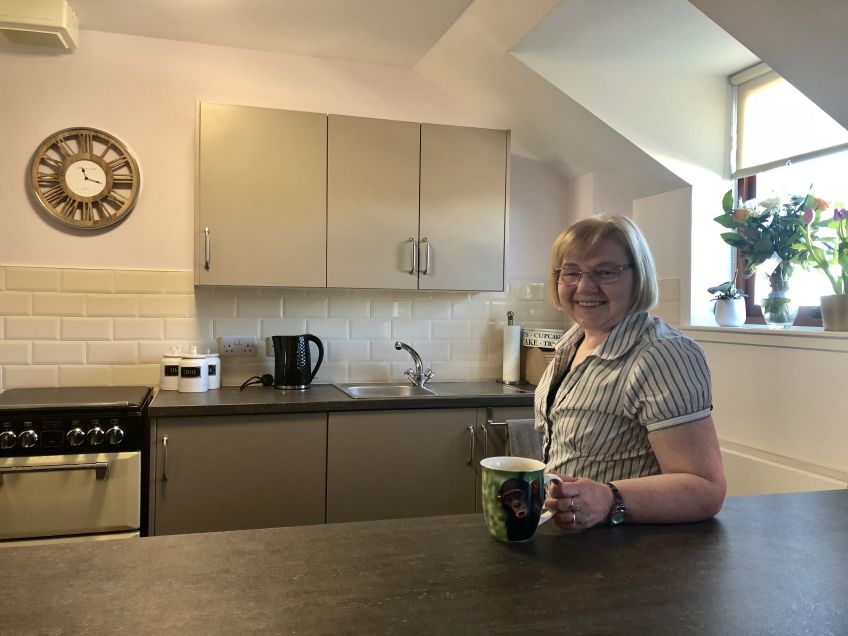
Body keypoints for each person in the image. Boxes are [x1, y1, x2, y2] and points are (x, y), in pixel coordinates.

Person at [537, 215, 726, 529]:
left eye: (606, 272)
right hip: (575, 546)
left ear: (639, 277)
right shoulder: (573, 342)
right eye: (571, 272)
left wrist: (610, 497)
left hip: (628, 555)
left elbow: (706, 488)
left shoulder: (664, 355)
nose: (584, 285)